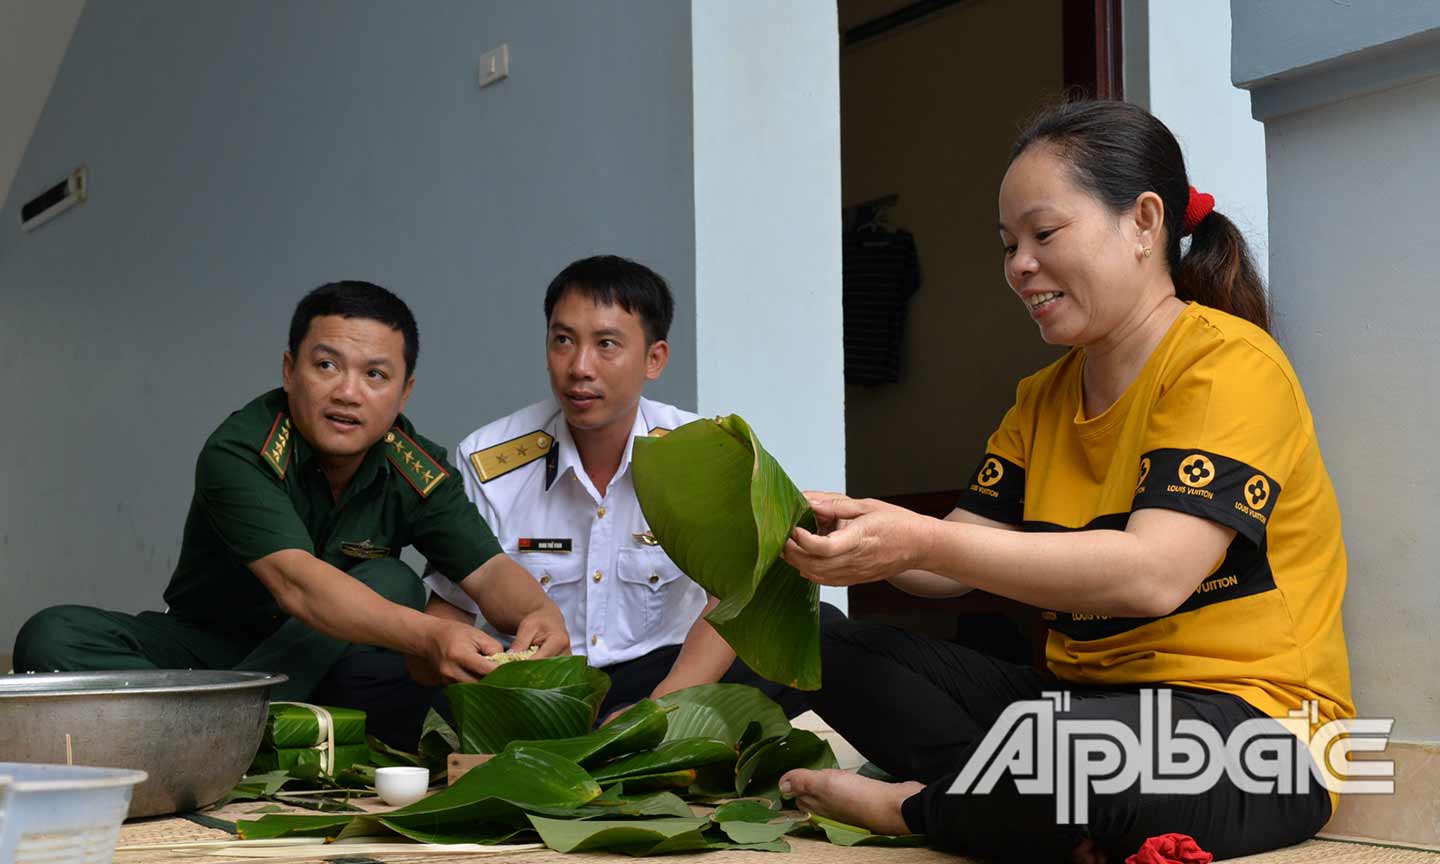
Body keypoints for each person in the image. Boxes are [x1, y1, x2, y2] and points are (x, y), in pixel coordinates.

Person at [776, 101, 1353, 863]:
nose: (1020, 265)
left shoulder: (1225, 366)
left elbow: (1152, 576)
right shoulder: (1041, 396)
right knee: (816, 646)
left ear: (1145, 223)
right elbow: (950, 559)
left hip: (1254, 731)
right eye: (1009, 244)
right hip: (1079, 709)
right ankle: (1018, 807)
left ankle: (918, 809)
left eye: (1044, 235)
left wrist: (918, 538)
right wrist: (836, 530)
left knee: (1064, 759)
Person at [13, 281, 570, 745]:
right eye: (327, 365)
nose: (348, 392)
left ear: (404, 393)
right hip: (210, 650)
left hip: (325, 666)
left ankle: (212, 733)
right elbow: (298, 588)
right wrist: (431, 637)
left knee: (390, 581)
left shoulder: (415, 466)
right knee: (51, 635)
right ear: (289, 369)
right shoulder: (240, 450)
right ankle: (251, 728)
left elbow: (488, 569)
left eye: (376, 375)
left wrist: (537, 611)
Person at [412, 255, 839, 718]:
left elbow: (733, 601)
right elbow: (448, 612)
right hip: (538, 686)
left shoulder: (699, 451)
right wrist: (458, 658)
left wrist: (657, 712)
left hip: (665, 672)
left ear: (653, 359)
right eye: (562, 341)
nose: (579, 367)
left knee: (824, 634)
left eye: (607, 344)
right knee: (399, 688)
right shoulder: (488, 459)